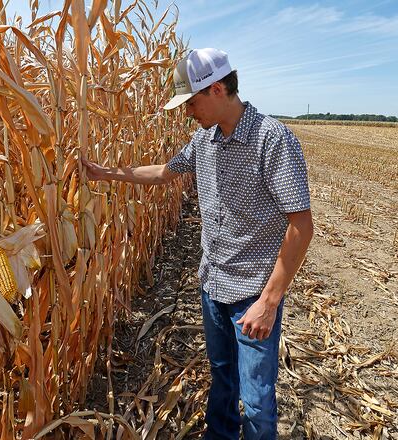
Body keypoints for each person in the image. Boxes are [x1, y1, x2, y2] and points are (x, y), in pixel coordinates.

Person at [81, 48, 313, 440]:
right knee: (222, 377)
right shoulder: (203, 142)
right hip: (213, 286)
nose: (188, 113)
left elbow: (301, 226)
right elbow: (160, 174)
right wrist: (105, 174)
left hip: (253, 295)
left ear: (218, 89)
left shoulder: (272, 141)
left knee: (257, 402)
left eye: (191, 102)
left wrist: (269, 302)